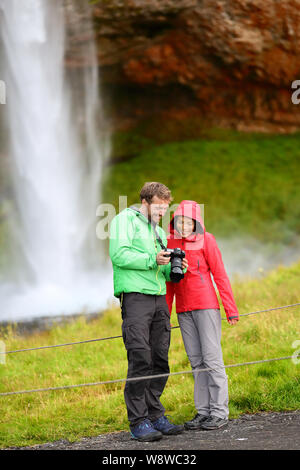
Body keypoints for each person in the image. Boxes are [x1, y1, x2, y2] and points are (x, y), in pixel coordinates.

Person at [109, 182, 188, 442]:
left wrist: (175, 267)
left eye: (165, 208)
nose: (162, 212)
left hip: (158, 298)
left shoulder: (158, 232)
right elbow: (119, 255)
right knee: (141, 357)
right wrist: (152, 259)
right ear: (145, 201)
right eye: (158, 206)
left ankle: (155, 415)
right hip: (135, 298)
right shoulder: (124, 220)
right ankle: (138, 421)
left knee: (160, 360)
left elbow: (161, 270)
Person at [166, 200, 239, 431]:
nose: (184, 226)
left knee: (212, 359)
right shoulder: (170, 243)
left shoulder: (207, 240)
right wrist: (164, 316)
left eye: (188, 222)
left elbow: (220, 275)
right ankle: (203, 412)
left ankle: (219, 412)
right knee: (196, 362)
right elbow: (168, 284)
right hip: (183, 311)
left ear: (197, 222)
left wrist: (230, 308)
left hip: (206, 306)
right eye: (180, 221)